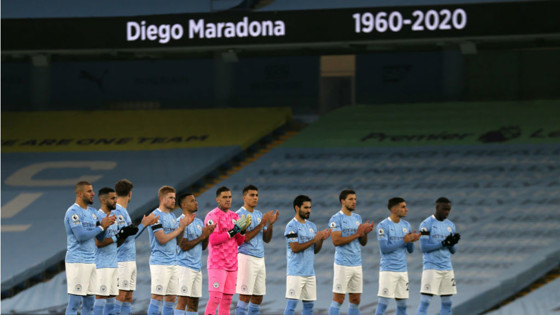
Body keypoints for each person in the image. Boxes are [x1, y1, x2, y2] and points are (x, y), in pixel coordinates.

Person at [64, 181, 116, 315]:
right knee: (74, 303)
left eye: (92, 191)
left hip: (92, 261)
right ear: (80, 194)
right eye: (89, 191)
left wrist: (106, 225)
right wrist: (101, 227)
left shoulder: (93, 213)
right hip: (77, 261)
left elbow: (99, 237)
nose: (93, 194)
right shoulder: (73, 212)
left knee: (90, 304)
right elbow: (81, 236)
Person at [204, 186, 251, 315]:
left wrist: (242, 231)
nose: (228, 200)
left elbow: (240, 242)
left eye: (229, 197)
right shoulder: (212, 216)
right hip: (217, 264)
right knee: (215, 299)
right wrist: (234, 231)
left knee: (227, 300)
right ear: (218, 199)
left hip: (232, 264)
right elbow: (213, 240)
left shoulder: (234, 216)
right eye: (224, 197)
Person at [113, 179, 158, 315]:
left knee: (128, 297)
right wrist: (144, 224)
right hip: (122, 260)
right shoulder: (118, 212)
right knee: (121, 296)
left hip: (129, 260)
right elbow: (126, 237)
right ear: (130, 194)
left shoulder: (123, 212)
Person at [328, 190, 374, 315]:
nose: (354, 202)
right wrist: (357, 234)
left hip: (357, 264)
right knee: (339, 299)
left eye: (355, 199)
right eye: (350, 199)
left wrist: (364, 233)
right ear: (343, 201)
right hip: (342, 264)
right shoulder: (336, 218)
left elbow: (363, 242)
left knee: (355, 300)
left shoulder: (357, 218)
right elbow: (336, 241)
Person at [147, 186, 192, 315]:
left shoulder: (172, 216)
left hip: (173, 262)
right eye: (170, 198)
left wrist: (183, 228)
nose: (174, 200)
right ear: (162, 199)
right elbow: (161, 239)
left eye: (174, 197)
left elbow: (177, 242)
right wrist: (179, 229)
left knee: (171, 298)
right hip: (160, 262)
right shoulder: (155, 216)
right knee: (157, 297)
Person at [235, 185, 279, 315]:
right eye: (252, 195)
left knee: (258, 297)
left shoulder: (259, 214)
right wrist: (261, 224)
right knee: (245, 296)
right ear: (244, 197)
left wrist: (270, 224)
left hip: (260, 258)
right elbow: (245, 238)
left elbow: (266, 239)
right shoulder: (239, 215)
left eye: (256, 195)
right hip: (246, 257)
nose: (255, 198)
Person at [284, 195, 331, 315]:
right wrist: (315, 239)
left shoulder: (312, 226)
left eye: (310, 207)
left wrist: (321, 240)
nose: (309, 210)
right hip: (296, 272)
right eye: (305, 207)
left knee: (309, 306)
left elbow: (315, 250)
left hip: (309, 273)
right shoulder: (291, 226)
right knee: (291, 306)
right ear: (296, 208)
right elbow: (295, 248)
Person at [375, 197, 421, 315]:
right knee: (382, 305)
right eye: (403, 207)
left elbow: (410, 250)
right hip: (388, 270)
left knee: (403, 306)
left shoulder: (406, 225)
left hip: (402, 271)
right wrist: (404, 240)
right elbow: (384, 249)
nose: (406, 209)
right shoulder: (383, 226)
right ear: (394, 209)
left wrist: (411, 240)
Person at [416, 197, 460, 315]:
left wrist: (451, 243)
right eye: (444, 209)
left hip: (447, 268)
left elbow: (453, 251)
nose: (447, 212)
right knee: (425, 301)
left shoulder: (450, 225)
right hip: (432, 267)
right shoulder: (426, 224)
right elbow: (424, 248)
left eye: (449, 210)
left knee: (448, 302)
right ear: (437, 208)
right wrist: (443, 243)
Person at [175, 193, 216, 315]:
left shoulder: (198, 222)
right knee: (182, 301)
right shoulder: (180, 222)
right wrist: (203, 235)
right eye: (192, 201)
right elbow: (183, 245)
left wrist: (207, 234)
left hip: (196, 268)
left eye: (195, 200)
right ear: (183, 205)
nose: (196, 202)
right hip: (184, 267)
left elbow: (203, 247)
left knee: (194, 303)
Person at [93, 187, 132, 315]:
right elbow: (98, 243)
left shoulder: (113, 218)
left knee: (111, 300)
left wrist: (123, 235)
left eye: (116, 197)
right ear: (103, 200)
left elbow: (115, 243)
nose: (116, 201)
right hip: (101, 265)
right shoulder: (97, 217)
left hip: (113, 264)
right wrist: (116, 237)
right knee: (101, 298)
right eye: (113, 198)